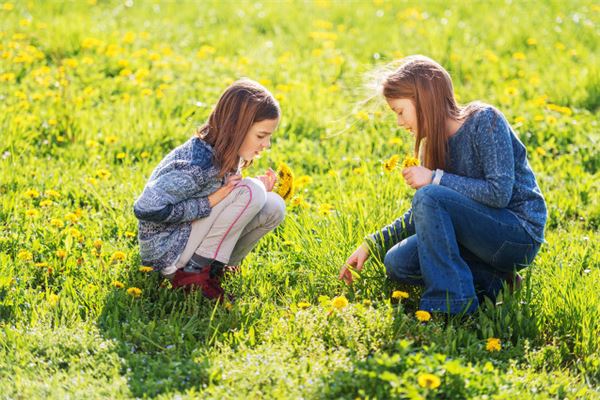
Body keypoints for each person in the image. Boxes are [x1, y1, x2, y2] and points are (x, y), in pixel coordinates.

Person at [339, 55, 547, 314]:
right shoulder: (434, 147)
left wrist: (434, 178)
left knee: (430, 196)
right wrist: (371, 244)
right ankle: (497, 282)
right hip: (478, 239)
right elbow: (426, 214)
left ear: (424, 100)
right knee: (398, 262)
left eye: (400, 112)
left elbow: (499, 193)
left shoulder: (485, 121)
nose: (399, 122)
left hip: (516, 235)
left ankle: (452, 304)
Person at [134, 78, 286, 300]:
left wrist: (256, 190)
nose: (267, 144)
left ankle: (218, 269)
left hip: (188, 238)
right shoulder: (199, 163)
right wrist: (209, 202)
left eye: (269, 136)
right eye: (261, 136)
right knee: (251, 192)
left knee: (273, 205)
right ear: (237, 129)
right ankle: (192, 276)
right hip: (167, 251)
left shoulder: (227, 155)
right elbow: (147, 207)